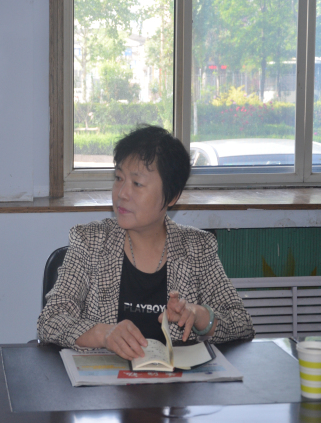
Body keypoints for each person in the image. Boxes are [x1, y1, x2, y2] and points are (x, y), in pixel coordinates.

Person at [37, 125, 254, 360]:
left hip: (175, 381)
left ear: (172, 196)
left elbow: (242, 324)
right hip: (107, 382)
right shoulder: (91, 242)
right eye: (119, 178)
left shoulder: (197, 248)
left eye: (137, 184)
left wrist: (200, 315)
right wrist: (103, 334)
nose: (122, 193)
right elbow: (50, 321)